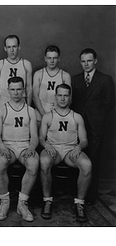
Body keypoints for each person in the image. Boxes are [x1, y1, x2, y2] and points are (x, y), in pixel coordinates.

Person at [39, 83, 92, 223]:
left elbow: (85, 140)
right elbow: (40, 137)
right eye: (60, 95)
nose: (62, 98)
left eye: (65, 95)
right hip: (53, 150)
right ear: (56, 97)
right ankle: (47, 201)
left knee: (86, 164)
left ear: (70, 98)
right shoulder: (48, 116)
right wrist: (45, 144)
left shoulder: (77, 117)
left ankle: (79, 203)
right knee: (44, 162)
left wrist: (79, 147)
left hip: (70, 150)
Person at [71, 48, 115, 204]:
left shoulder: (105, 79)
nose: (86, 64)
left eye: (89, 61)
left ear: (95, 61)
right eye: (83, 61)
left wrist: (98, 117)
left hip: (96, 126)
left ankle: (90, 196)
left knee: (94, 160)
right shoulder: (75, 79)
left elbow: (110, 102)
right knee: (77, 158)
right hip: (77, 127)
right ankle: (75, 192)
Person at [0, 76, 39, 222]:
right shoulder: (1, 110)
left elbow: (34, 136)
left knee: (33, 163)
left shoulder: (30, 111)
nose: (16, 93)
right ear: (8, 91)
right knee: (0, 163)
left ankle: (22, 203)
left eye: (19, 89)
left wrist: (32, 147)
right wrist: (2, 147)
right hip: (8, 146)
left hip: (25, 145)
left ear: (24, 90)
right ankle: (5, 202)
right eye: (13, 90)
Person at [0, 34, 33, 113]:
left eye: (14, 46)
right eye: (9, 47)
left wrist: (29, 106)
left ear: (19, 47)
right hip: (4, 100)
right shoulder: (0, 64)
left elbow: (29, 88)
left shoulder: (26, 64)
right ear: (5, 48)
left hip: (21, 100)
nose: (12, 50)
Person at [33, 45, 71, 124]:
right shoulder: (39, 74)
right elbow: (35, 96)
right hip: (41, 113)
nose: (52, 61)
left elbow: (69, 98)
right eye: (49, 58)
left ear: (59, 59)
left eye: (55, 58)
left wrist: (59, 114)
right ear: (45, 59)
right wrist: (43, 114)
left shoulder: (65, 75)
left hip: (58, 112)